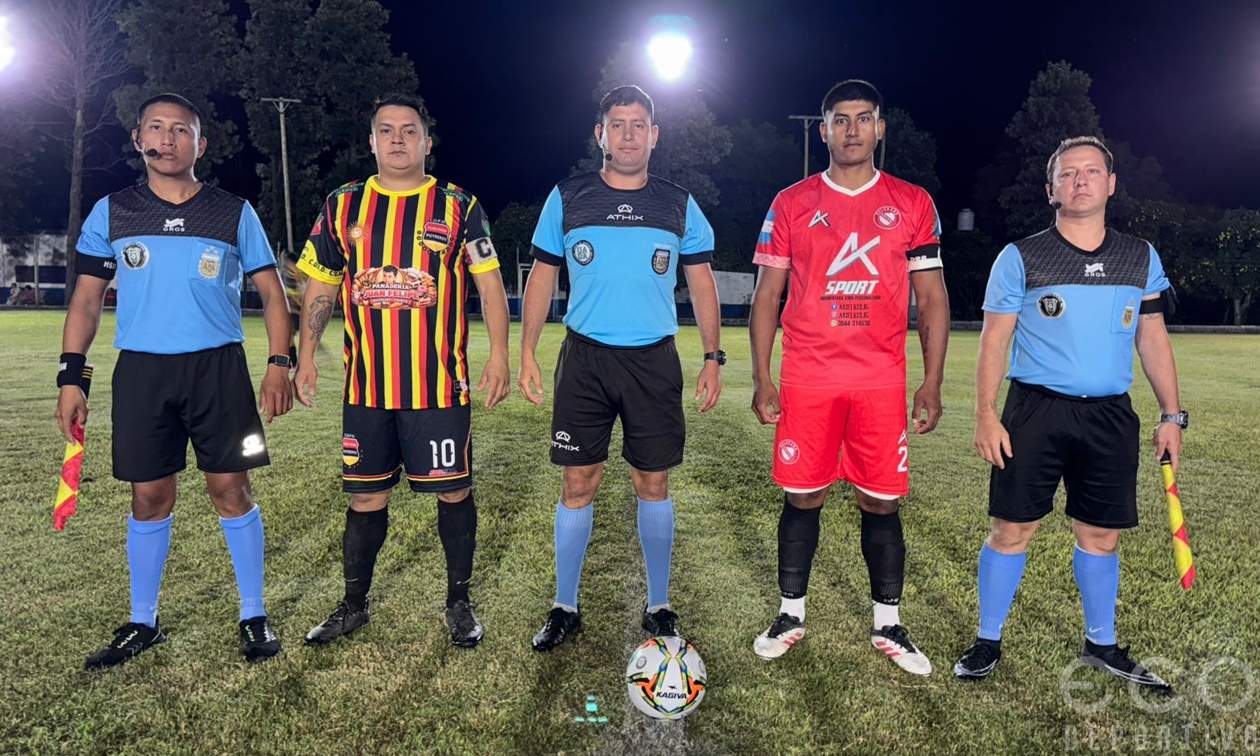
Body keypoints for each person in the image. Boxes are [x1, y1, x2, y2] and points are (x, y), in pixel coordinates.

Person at [58, 92, 293, 670]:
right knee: (149, 495)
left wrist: (278, 362)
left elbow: (272, 294)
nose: (167, 138)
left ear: (200, 144)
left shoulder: (233, 212)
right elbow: (86, 302)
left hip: (219, 371)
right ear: (138, 140)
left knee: (231, 489)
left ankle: (253, 612)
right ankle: (143, 621)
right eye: (156, 128)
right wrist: (72, 377)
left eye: (181, 130)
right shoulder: (112, 212)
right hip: (142, 371)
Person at [953, 136, 1184, 693]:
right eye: (1068, 173)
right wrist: (986, 414)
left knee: (1101, 534)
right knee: (1012, 527)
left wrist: (1172, 415)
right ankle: (987, 640)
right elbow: (994, 341)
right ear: (1050, 189)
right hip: (1035, 411)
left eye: (1092, 171)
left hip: (1109, 415)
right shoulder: (1020, 256)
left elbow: (1152, 337)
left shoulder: (1140, 256)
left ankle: (1101, 644)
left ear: (1111, 184)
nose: (1080, 181)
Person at [747, 80, 949, 675]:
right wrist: (762, 376)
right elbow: (767, 296)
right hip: (808, 376)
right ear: (824, 130)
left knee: (880, 499)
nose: (852, 129)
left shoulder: (912, 202)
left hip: (880, 380)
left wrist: (932, 381)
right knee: (802, 494)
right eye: (841, 119)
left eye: (864, 119)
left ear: (880, 128)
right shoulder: (791, 202)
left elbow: (931, 298)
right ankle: (790, 614)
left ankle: (889, 624)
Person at [295, 93, 510, 649]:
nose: (397, 139)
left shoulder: (458, 205)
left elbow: (489, 283)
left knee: (453, 492)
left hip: (438, 387)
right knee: (365, 498)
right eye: (387, 130)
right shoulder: (343, 205)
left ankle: (458, 602)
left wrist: (500, 355)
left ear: (427, 142)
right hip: (367, 387)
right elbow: (321, 286)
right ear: (371, 142)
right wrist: (305, 355)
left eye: (409, 130)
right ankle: (353, 605)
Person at [518, 84, 724, 651]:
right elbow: (543, 275)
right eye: (617, 124)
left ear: (654, 135)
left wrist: (712, 358)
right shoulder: (568, 197)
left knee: (652, 481)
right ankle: (564, 606)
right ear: (600, 134)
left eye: (638, 125)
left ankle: (659, 606)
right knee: (577, 480)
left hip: (653, 360)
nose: (628, 134)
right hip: (584, 359)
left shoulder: (678, 203)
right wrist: (527, 352)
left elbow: (701, 282)